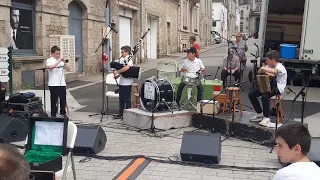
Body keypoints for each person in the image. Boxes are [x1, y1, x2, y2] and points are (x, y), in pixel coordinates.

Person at [248, 50, 287, 127]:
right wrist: (263, 70)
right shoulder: (268, 66)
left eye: (267, 60)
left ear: (273, 60)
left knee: (265, 96)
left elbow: (274, 72)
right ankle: (260, 113)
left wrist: (263, 69)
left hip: (277, 88)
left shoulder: (280, 67)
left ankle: (266, 118)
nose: (266, 61)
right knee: (251, 94)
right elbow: (259, 71)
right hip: (268, 86)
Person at [46, 45, 72, 118]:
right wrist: (59, 61)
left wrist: (64, 62)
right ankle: (53, 113)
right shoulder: (49, 60)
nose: (58, 55)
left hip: (62, 83)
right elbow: (50, 68)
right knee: (54, 99)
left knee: (63, 98)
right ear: (52, 53)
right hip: (53, 83)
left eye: (59, 54)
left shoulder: (61, 61)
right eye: (57, 54)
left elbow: (69, 69)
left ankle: (63, 112)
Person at [113, 45, 133, 119]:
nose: (121, 53)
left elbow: (126, 68)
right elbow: (123, 72)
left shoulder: (129, 60)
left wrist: (117, 71)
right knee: (121, 99)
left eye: (123, 52)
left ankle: (128, 115)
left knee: (127, 99)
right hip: (122, 82)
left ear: (127, 52)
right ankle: (120, 113)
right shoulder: (122, 60)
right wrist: (117, 76)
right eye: (121, 52)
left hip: (127, 83)